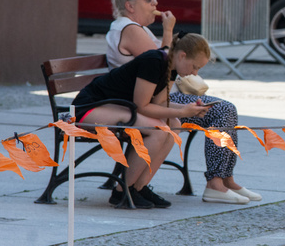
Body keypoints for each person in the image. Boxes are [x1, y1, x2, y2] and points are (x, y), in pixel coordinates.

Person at [106, 0, 261, 205]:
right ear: (130, 5)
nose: (155, 2)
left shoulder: (136, 28)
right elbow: (162, 64)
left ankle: (225, 179)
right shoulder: (129, 29)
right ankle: (216, 183)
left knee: (223, 110)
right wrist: (168, 31)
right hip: (142, 103)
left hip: (152, 99)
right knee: (221, 111)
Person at [73, 33, 214, 209]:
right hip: (88, 109)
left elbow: (160, 103)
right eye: (194, 67)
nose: (195, 73)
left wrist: (189, 110)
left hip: (116, 108)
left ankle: (138, 187)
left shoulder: (172, 66)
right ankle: (122, 191)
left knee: (173, 125)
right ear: (182, 55)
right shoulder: (154, 62)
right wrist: (184, 111)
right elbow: (142, 106)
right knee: (159, 130)